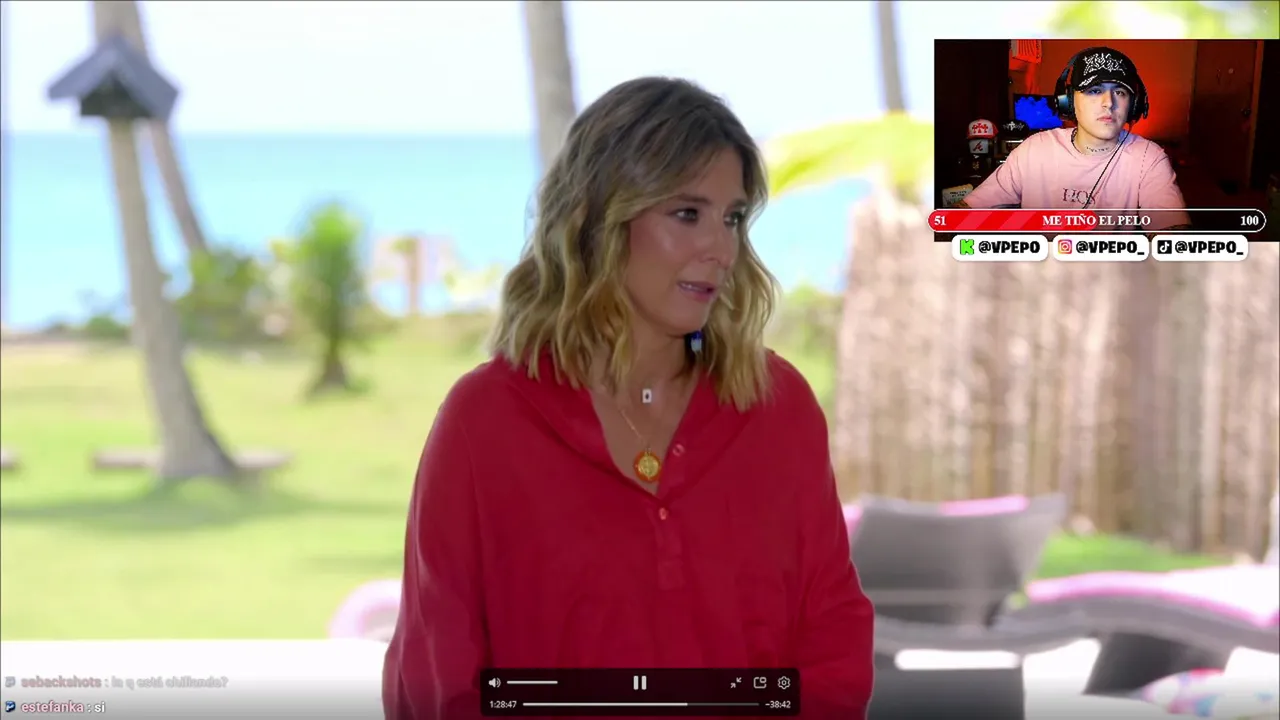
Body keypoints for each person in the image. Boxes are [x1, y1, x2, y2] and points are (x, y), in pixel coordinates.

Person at [382, 77, 875, 719]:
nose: (720, 248)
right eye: (687, 214)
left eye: (731, 218)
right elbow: (436, 672)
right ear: (600, 221)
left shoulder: (778, 409)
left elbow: (832, 638)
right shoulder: (486, 422)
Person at [962, 46, 1193, 231]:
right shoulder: (1034, 150)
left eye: (1119, 92)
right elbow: (965, 213)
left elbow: (1171, 237)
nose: (1109, 103)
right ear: (1068, 101)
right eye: (1094, 90)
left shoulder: (1148, 158)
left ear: (1133, 105)